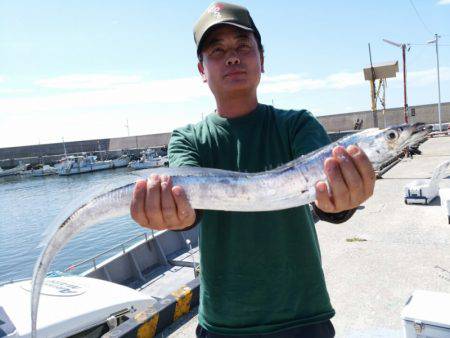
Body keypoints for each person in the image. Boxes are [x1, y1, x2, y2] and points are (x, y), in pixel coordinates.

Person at [130, 2, 376, 337]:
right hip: (222, 325)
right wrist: (173, 214)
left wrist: (341, 203)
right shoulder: (188, 139)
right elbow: (189, 209)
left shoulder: (297, 125)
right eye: (217, 50)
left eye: (243, 46)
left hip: (303, 318)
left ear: (262, 59)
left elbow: (327, 197)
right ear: (201, 69)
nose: (232, 56)